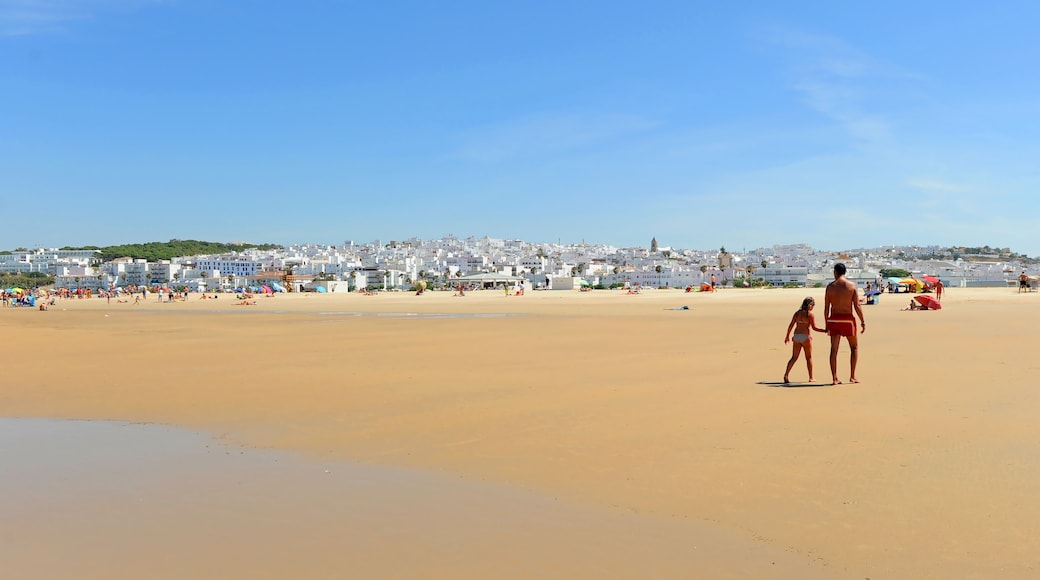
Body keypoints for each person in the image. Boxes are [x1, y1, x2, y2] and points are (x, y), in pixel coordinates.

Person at [824, 263, 866, 385]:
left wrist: (827, 323)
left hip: (834, 319)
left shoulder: (830, 287)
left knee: (834, 350)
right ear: (845, 272)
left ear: (835, 272)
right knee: (854, 348)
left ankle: (834, 378)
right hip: (848, 320)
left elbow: (826, 308)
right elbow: (857, 305)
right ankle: (852, 376)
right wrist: (862, 321)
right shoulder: (852, 286)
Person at [783, 297, 826, 383]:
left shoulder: (797, 313)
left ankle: (786, 374)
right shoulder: (810, 314)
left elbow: (791, 325)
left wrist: (787, 336)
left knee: (794, 357)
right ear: (810, 306)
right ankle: (811, 377)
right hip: (805, 337)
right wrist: (824, 330)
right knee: (808, 357)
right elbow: (814, 328)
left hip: (796, 337)